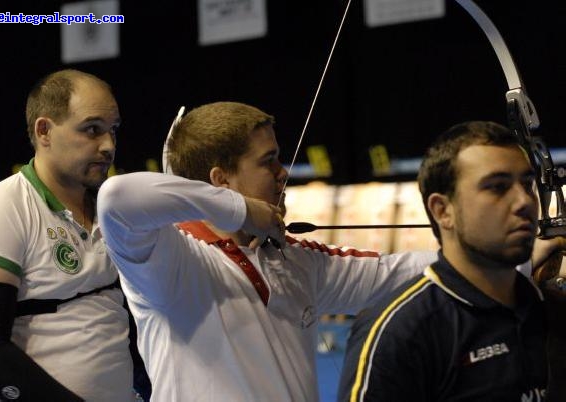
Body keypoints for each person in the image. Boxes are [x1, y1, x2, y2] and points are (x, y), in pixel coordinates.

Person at [97, 104, 562, 401]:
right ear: (221, 180)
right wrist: (243, 211)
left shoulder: (294, 259)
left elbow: (401, 273)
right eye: (268, 162)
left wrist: (517, 256)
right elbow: (117, 198)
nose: (283, 174)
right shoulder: (171, 258)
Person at [337, 121, 554, 401]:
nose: (524, 201)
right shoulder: (401, 332)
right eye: (498, 187)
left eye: (527, 184)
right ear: (443, 211)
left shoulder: (552, 312)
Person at [0, 69, 137, 401]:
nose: (108, 145)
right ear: (44, 131)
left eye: (113, 130)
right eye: (92, 129)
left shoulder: (112, 209)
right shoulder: (6, 206)